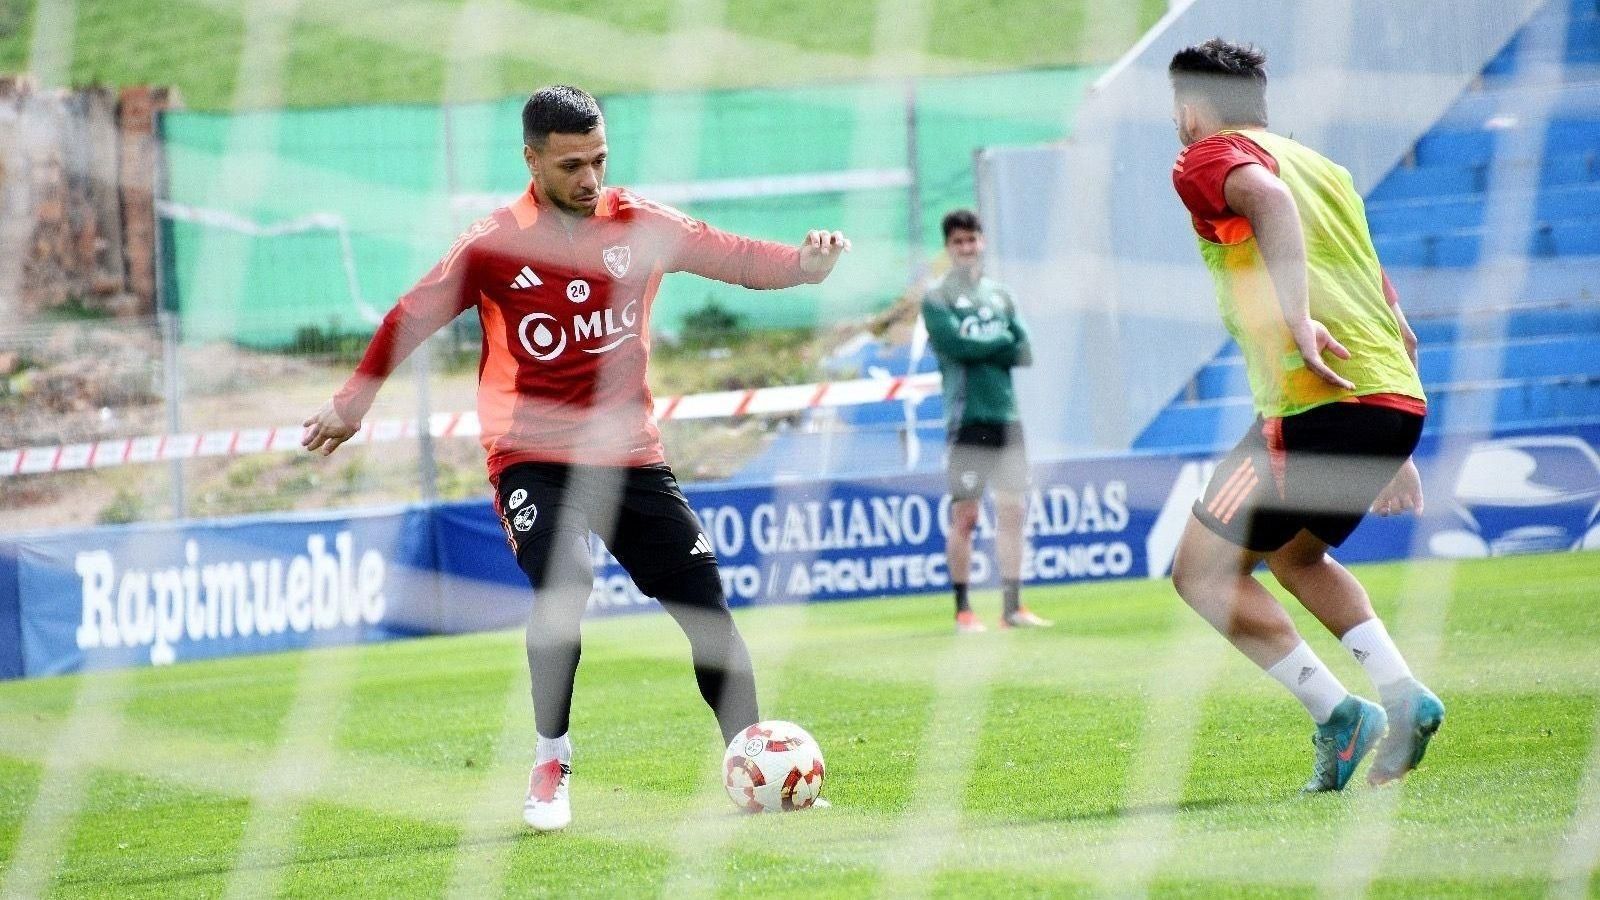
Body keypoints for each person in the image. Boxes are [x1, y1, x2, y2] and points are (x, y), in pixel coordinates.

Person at [300, 85, 851, 830]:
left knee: (706, 609)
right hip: (532, 455)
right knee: (566, 579)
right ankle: (551, 760)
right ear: (531, 160)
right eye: (570, 166)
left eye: (598, 160)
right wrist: (354, 403)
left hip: (630, 455)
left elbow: (738, 258)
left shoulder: (641, 223)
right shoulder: (494, 242)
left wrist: (804, 267)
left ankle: (750, 761)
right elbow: (413, 314)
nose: (589, 180)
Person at [1166, 39, 1443, 793]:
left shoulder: (1207, 158)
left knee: (1199, 573)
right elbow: (1393, 315)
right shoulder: (1328, 170)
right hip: (1391, 398)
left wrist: (1294, 319)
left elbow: (1269, 202)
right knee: (1295, 558)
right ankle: (1404, 693)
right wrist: (1398, 446)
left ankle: (1338, 714)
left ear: (1191, 108)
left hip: (1310, 401)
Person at [920, 209, 1051, 634]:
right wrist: (998, 342)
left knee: (1012, 513)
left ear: (982, 242)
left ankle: (1012, 607)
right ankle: (963, 610)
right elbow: (954, 345)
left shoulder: (1002, 295)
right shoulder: (936, 299)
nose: (966, 248)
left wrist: (982, 344)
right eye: (957, 242)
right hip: (966, 418)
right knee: (967, 518)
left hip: (1006, 417)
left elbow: (1025, 350)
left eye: (971, 240)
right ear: (948, 248)